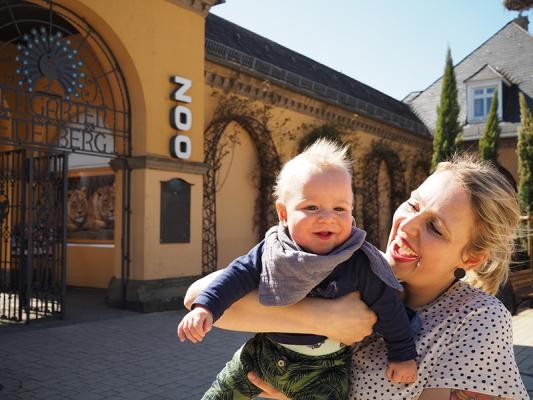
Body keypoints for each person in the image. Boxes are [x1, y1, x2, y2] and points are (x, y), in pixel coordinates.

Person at [182, 152, 529, 400]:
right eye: (413, 204)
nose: (405, 226)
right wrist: (324, 318)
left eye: (435, 227)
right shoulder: (357, 263)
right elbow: (197, 293)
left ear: (472, 257)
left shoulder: (477, 320)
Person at [178, 139, 418, 399]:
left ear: (352, 212)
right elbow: (237, 274)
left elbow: (389, 306)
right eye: (311, 207)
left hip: (325, 371)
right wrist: (206, 306)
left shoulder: (357, 261)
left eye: (340, 208)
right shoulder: (274, 250)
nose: (327, 217)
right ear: (283, 213)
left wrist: (402, 355)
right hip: (262, 354)